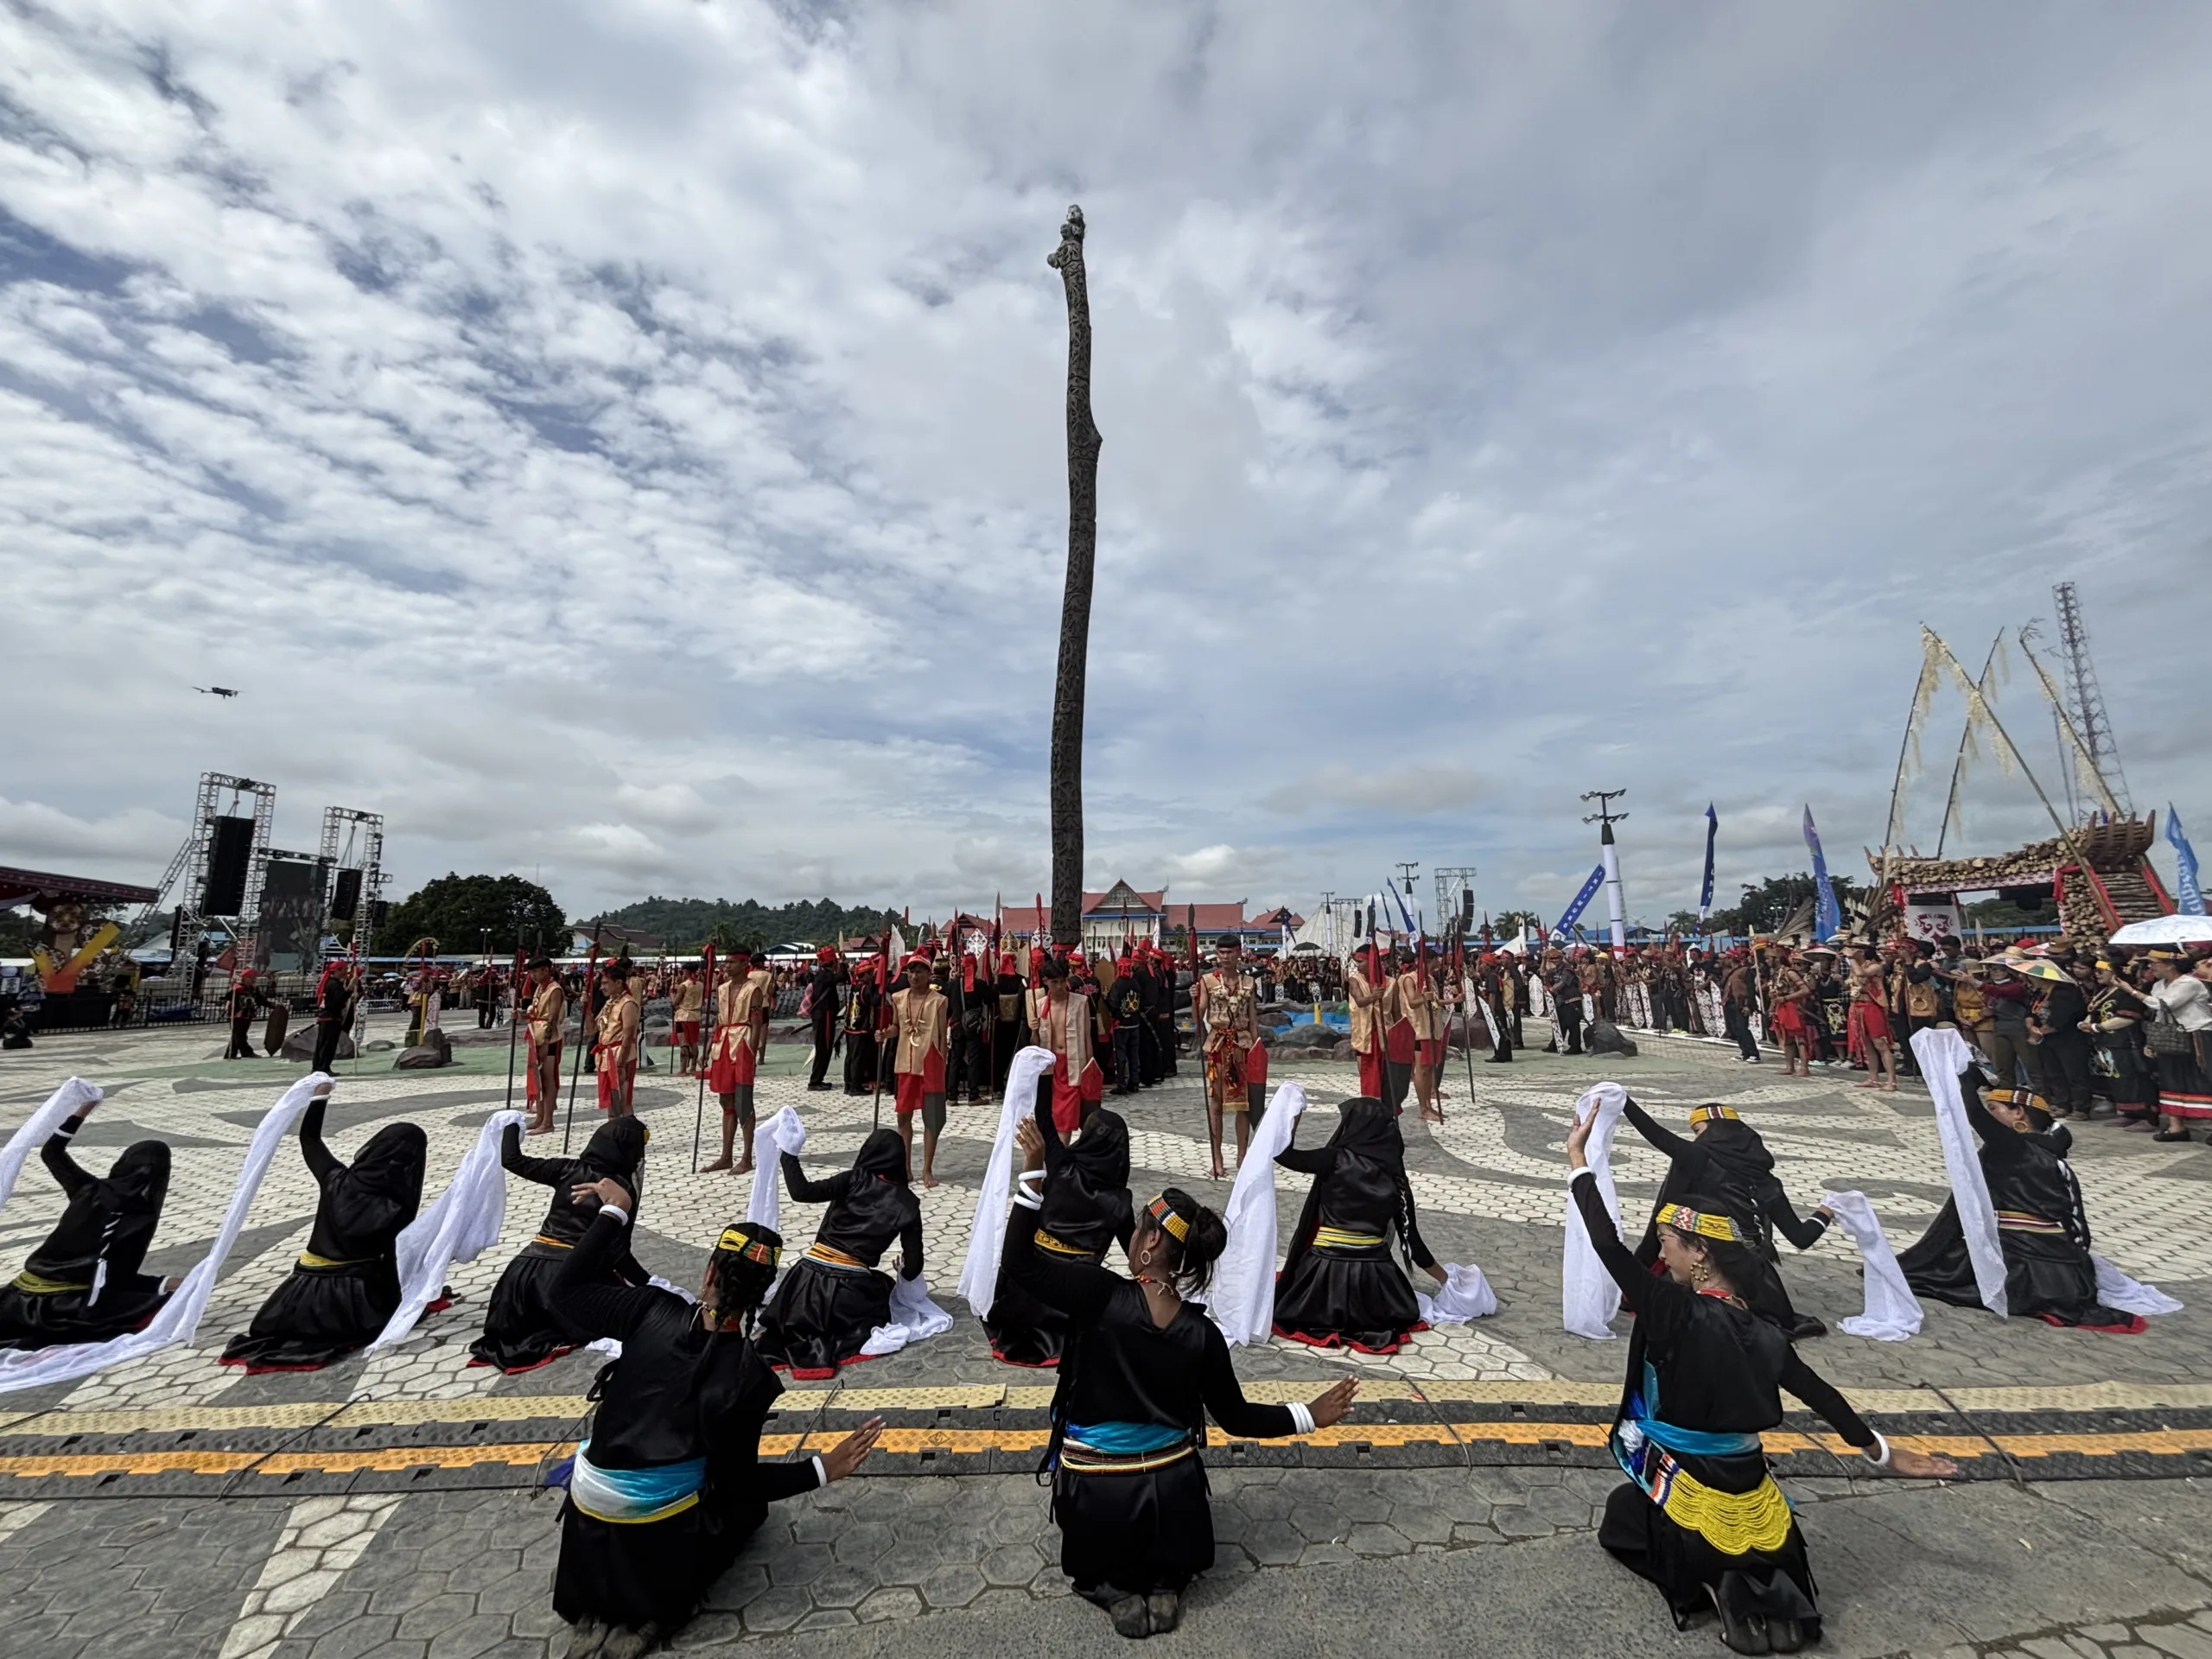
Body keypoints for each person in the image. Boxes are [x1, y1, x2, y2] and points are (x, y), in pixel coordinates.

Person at [1565, 1111, 1955, 1653]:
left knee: (1623, 1515)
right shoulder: (1767, 1329)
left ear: (1700, 1251)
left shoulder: (1671, 1308)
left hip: (1689, 1485)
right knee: (1760, 1531)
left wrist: (1579, 1163)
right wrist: (1881, 1452)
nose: (1661, 1253)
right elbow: (1822, 1395)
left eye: (1667, 1242)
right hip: (1750, 1482)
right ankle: (1759, 1581)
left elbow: (1606, 1244)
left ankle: (1707, 1578)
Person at [999, 1135, 1357, 1639]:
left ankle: (1114, 1592)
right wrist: (1309, 1415)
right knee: (1175, 1488)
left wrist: (1032, 1174)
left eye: (1137, 1228)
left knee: (1095, 1556)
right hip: (1170, 1497)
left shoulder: (1098, 1294)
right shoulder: (1202, 1333)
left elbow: (1018, 1262)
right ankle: (1166, 1582)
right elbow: (1238, 1419)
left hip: (1098, 1495)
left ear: (1148, 1244)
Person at [548, 1201, 882, 1659]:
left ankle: (592, 1609)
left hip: (588, 1505)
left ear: (708, 1273)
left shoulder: (651, 1308)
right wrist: (821, 1470)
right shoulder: (751, 1376)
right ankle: (652, 1613)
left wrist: (614, 1211)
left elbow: (563, 1292)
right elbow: (738, 1485)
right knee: (748, 1512)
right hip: (657, 1531)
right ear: (760, 1298)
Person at [1897, 1066, 2148, 1331]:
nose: (1990, 1114)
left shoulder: (2015, 1147)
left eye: (1995, 1108)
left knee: (1937, 1273)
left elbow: (1974, 1114)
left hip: (2023, 1258)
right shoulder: (2044, 1147)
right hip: (2060, 1263)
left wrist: (1964, 1080)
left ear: (2019, 1113)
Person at [220, 1093, 429, 1370]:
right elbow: (390, 1265)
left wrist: (319, 1097)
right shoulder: (396, 1208)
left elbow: (309, 1140)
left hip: (295, 1297)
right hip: (349, 1303)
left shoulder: (335, 1178)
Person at [1623, 1101, 1834, 1340]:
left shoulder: (1700, 1157)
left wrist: (1625, 1102)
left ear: (1714, 1130)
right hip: (1760, 1285)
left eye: (1697, 1130)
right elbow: (1801, 1237)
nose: (1696, 1138)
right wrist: (1826, 1212)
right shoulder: (1767, 1181)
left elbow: (1657, 1135)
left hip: (1706, 1266)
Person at [469, 1116, 650, 1373]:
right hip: (568, 1279)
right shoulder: (619, 1190)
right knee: (625, 1312)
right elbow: (616, 1253)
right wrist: (651, 1284)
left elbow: (512, 1160)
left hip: (520, 1278)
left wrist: (510, 1124)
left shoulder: (566, 1169)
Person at [1271, 1096, 1446, 1353]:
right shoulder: (1395, 1177)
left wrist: (1293, 1116)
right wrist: (1449, 1281)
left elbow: (1282, 1155)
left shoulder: (1332, 1159)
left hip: (1322, 1280)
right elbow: (1413, 1246)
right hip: (1377, 1286)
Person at [0, 1097, 176, 1348]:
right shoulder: (137, 1215)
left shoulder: (87, 1188)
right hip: (66, 1308)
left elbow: (52, 1153)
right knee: (169, 1305)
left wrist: (81, 1111)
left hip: (16, 1297)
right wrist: (165, 1284)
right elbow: (112, 1278)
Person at [984, 1078, 1134, 1367]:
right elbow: (1137, 1257)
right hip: (1076, 1296)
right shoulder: (1121, 1203)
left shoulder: (1062, 1166)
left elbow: (1044, 1116)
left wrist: (1044, 1075)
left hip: (1029, 1281)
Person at [753, 1128, 924, 1380]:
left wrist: (788, 1154)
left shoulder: (853, 1179)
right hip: (849, 1291)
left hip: (803, 1279)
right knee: (883, 1286)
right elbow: (914, 1265)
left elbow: (802, 1192)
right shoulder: (908, 1204)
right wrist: (902, 1271)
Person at [1193, 938, 1262, 1179]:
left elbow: (1253, 1018)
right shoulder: (1207, 981)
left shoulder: (1250, 982)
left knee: (1243, 1105)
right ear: (1217, 954)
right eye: (1221, 952)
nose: (1226, 957)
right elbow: (1198, 1014)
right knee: (1216, 1104)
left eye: (1230, 952)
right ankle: (1217, 1156)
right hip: (1218, 1047)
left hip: (1242, 1046)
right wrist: (1193, 999)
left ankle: (1243, 1155)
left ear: (1238, 954)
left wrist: (1257, 1048)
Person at [702, 947, 772, 1173]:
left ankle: (746, 1158)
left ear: (744, 964)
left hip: (741, 1046)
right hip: (723, 1044)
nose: (727, 966)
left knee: (743, 1102)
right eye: (726, 962)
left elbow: (756, 1023)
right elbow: (717, 1021)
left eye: (732, 962)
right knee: (726, 1101)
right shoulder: (721, 989)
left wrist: (751, 1053)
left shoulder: (754, 990)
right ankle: (726, 1156)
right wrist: (707, 1049)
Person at [888, 954, 950, 1186]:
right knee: (903, 1117)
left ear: (928, 974)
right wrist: (885, 1033)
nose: (914, 976)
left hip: (931, 1064)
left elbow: (943, 1036)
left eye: (919, 972)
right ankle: (905, 1169)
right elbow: (896, 1027)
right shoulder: (897, 998)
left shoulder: (940, 1001)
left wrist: (943, 1064)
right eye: (911, 972)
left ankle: (927, 1170)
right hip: (905, 1063)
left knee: (931, 1120)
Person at [1030, 953, 1104, 1134]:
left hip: (1073, 1064)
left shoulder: (1081, 1003)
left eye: (1062, 981)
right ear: (1046, 981)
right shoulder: (1038, 1005)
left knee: (1067, 1119)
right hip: (1050, 1067)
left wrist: (1089, 1068)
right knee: (1051, 1117)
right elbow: (1034, 1045)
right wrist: (1033, 1029)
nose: (1060, 986)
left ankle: (1061, 1157)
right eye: (1055, 982)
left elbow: (1087, 1037)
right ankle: (1057, 1156)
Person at [2088, 958, 2160, 1131]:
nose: (2097, 974)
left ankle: (2149, 1117)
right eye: (2096, 971)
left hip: (2126, 1043)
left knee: (2135, 1079)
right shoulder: (2103, 991)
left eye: (2101, 970)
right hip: (2107, 1043)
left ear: (2115, 972)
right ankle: (2127, 1113)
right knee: (2118, 1080)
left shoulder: (2126, 992)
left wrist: (2099, 1027)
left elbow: (2129, 1018)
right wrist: (2088, 1024)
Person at [2023, 957, 2094, 1119]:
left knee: (2074, 1073)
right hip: (2046, 1039)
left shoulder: (2065, 992)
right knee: (2053, 1072)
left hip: (2068, 1039)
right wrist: (2030, 1025)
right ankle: (2062, 1103)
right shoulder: (2038, 993)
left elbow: (2064, 1017)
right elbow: (2030, 1011)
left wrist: (2040, 1031)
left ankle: (2081, 1108)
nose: (2031, 979)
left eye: (2033, 976)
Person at [524, 957, 567, 1136]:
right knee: (538, 1078)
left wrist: (546, 1042)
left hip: (550, 1039)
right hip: (536, 1036)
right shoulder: (540, 989)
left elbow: (552, 1018)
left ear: (546, 970)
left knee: (548, 1079)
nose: (533, 975)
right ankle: (540, 1117)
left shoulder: (554, 989)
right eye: (531, 972)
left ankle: (548, 1121)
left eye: (536, 971)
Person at [1846, 947, 1898, 1091]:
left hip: (1872, 1006)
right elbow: (1849, 981)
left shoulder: (1876, 966)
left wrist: (1851, 959)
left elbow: (1860, 974)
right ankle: (1873, 1078)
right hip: (1857, 1006)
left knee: (1880, 1044)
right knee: (1867, 1044)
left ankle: (1891, 1081)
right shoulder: (1858, 966)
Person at [594, 959, 642, 1118]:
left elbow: (628, 1037)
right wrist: (587, 1008)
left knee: (622, 1101)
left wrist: (621, 1066)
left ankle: (626, 1136)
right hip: (607, 1056)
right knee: (612, 1102)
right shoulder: (609, 1003)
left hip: (621, 1056)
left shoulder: (628, 1004)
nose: (602, 987)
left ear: (619, 982)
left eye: (606, 983)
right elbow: (591, 1029)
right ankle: (614, 1133)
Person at [1346, 944, 1391, 1094]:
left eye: (1360, 962)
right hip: (1365, 1034)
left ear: (1371, 961)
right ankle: (1369, 1101)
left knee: (1386, 1076)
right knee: (1367, 1073)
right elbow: (1360, 1001)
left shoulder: (1391, 983)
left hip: (1385, 1034)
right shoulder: (1354, 981)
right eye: (1356, 962)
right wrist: (1373, 996)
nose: (1357, 966)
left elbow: (1397, 1013)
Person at [1766, 950, 1818, 1078]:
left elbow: (1805, 990)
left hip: (1793, 1007)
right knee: (1787, 1038)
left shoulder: (1790, 972)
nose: (1766, 961)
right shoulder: (1775, 973)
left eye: (1768, 958)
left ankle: (1804, 1068)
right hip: (1781, 1007)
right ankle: (1789, 1067)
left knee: (1800, 1038)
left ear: (1776, 959)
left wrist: (1786, 998)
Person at [842, 957, 886, 1096]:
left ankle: (848, 1084)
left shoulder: (855, 987)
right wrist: (881, 988)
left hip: (850, 1027)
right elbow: (875, 1001)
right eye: (871, 974)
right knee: (857, 1058)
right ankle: (855, 1086)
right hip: (860, 1028)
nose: (872, 976)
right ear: (865, 975)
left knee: (850, 1057)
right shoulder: (865, 989)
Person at [804, 946, 842, 1090]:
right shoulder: (825, 976)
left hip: (825, 1015)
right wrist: (842, 964)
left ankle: (818, 1078)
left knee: (825, 1048)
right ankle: (815, 1081)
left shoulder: (823, 975)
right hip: (824, 1016)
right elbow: (841, 977)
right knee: (823, 1048)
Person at [311, 960, 356, 1075]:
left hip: (327, 1018)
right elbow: (340, 1000)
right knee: (327, 1045)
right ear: (338, 970)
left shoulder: (330, 982)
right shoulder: (334, 984)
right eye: (345, 970)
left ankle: (319, 1067)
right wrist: (350, 987)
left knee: (323, 1044)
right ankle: (323, 1068)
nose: (346, 972)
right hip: (331, 1018)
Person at [1720, 951, 1760, 1064]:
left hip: (1742, 1003)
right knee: (1735, 1029)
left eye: (1727, 958)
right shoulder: (1731, 972)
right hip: (1731, 1003)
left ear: (1731, 959)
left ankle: (1754, 1053)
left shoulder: (1745, 971)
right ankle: (1745, 1052)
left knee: (1743, 1028)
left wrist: (1748, 1005)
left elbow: (1751, 989)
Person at [670, 963, 704, 1076]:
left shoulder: (683, 986)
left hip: (683, 1016)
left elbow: (675, 1003)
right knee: (694, 1043)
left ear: (686, 971)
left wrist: (672, 996)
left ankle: (683, 1069)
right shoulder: (700, 985)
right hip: (695, 1016)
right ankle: (693, 1067)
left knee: (683, 1043)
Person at [225, 971, 260, 1059]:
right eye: (250, 977)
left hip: (247, 1015)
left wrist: (273, 1005)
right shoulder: (238, 988)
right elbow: (228, 996)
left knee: (237, 1036)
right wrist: (232, 987)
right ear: (244, 979)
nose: (252, 980)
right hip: (237, 1015)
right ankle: (247, 1052)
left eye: (253, 978)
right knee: (239, 1036)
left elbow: (260, 999)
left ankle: (231, 1054)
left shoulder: (254, 989)